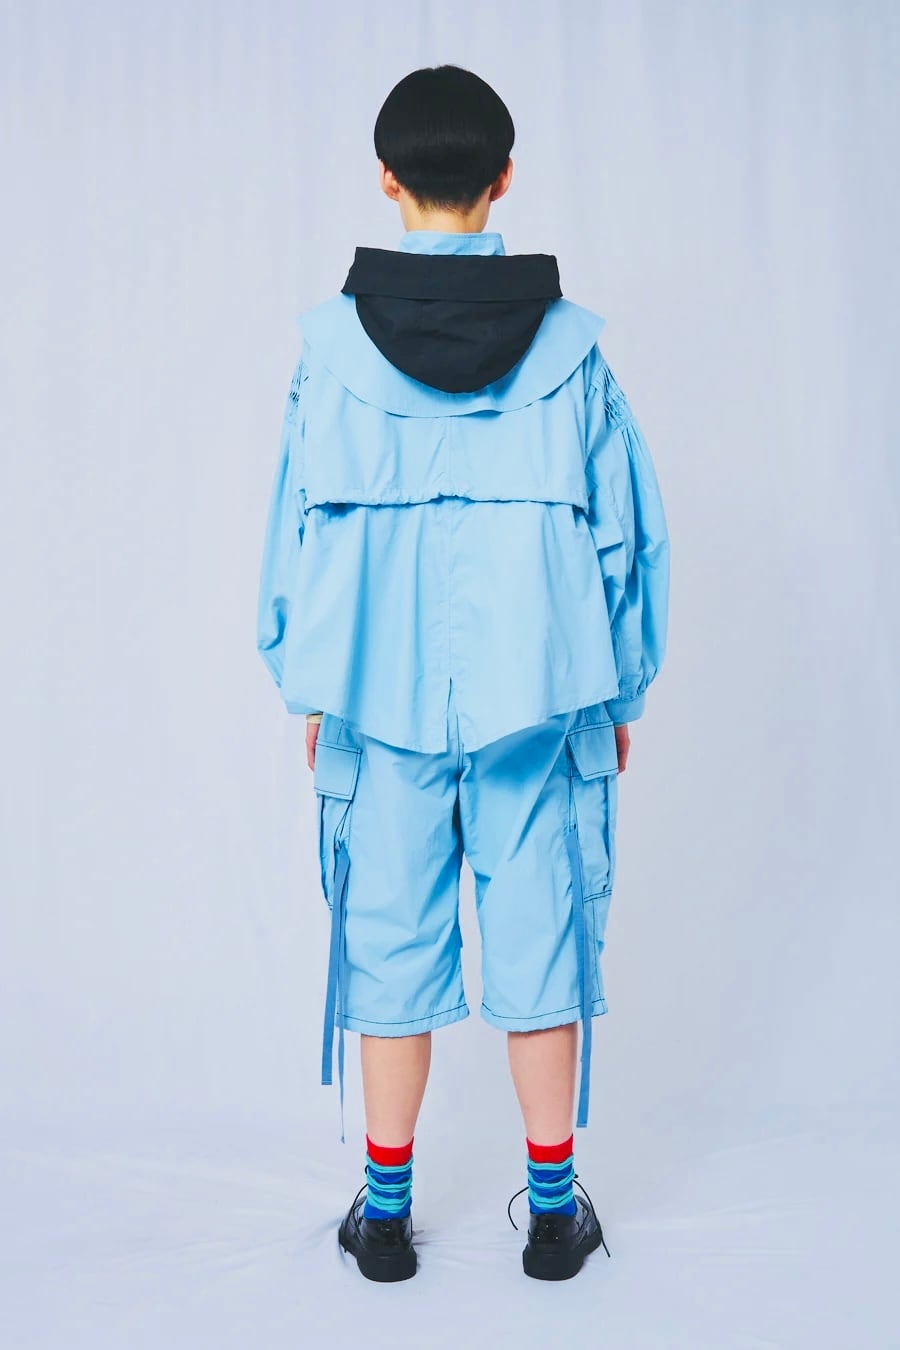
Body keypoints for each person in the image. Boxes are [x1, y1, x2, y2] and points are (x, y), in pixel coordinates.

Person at [256, 64, 670, 1283]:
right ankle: (552, 1214)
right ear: (505, 179)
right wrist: (620, 691)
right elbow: (627, 538)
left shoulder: (328, 356)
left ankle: (385, 1217)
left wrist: (312, 682)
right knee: (543, 940)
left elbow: (291, 537)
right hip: (541, 704)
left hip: (374, 706)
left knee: (388, 942)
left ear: (387, 181)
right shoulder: (573, 356)